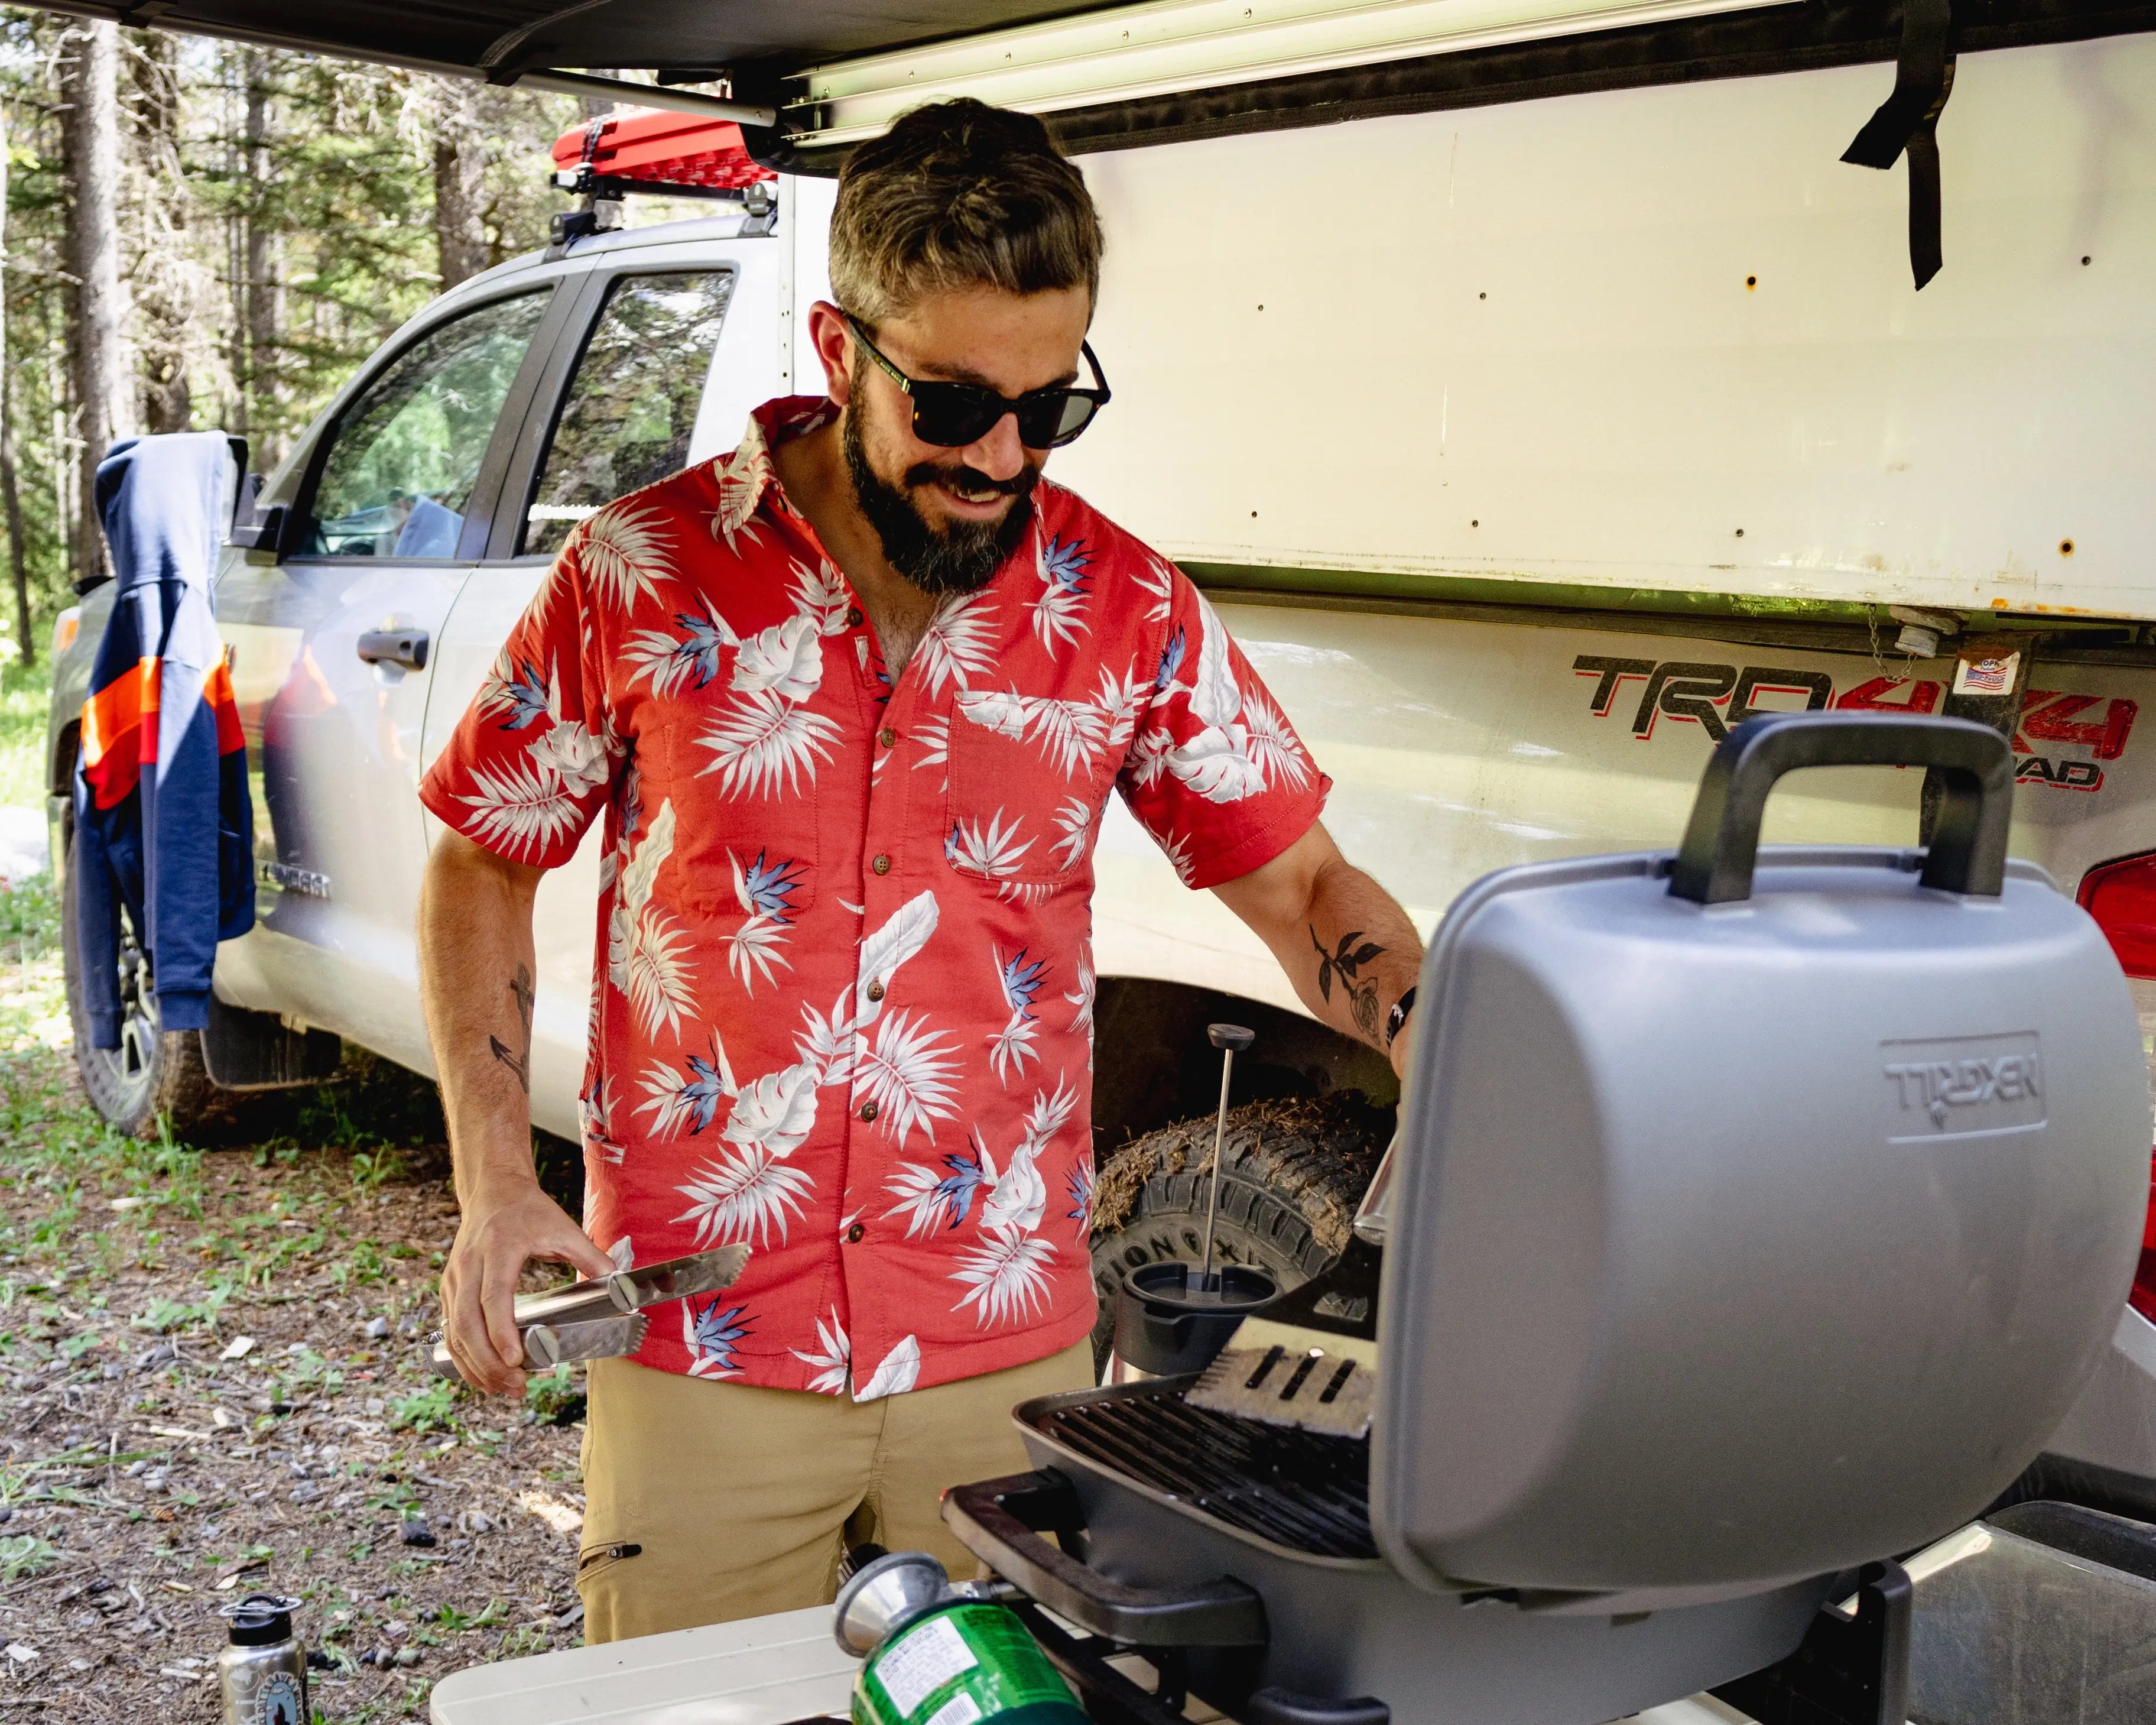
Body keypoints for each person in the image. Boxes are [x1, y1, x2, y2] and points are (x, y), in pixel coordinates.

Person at [415, 97, 1424, 1642]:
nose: (1003, 457)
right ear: (840, 351)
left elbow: (1304, 899)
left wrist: (1478, 1074)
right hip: (707, 1346)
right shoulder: (645, 574)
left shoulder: (1124, 606)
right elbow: (483, 862)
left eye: (1050, 407)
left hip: (1003, 1348)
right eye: (954, 407)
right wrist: (494, 1191)